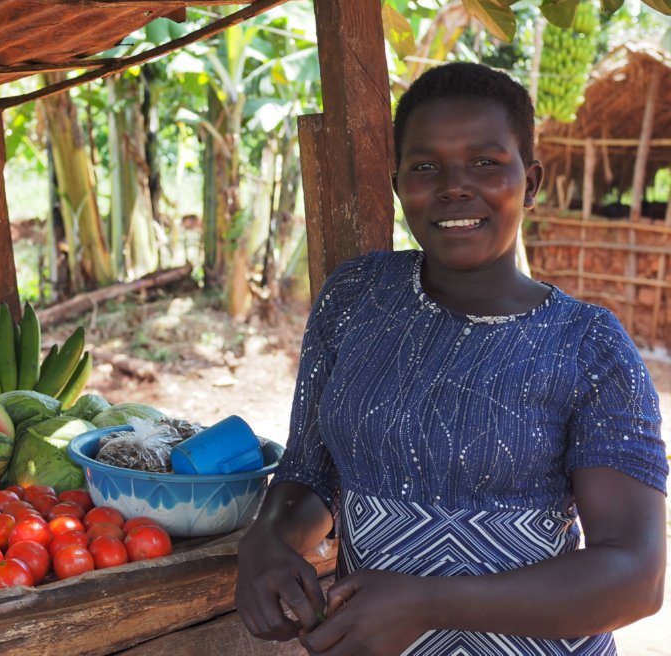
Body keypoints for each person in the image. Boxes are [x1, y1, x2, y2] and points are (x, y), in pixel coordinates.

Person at [235, 62, 667, 655]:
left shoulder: (587, 347)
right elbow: (311, 474)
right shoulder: (356, 297)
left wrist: (426, 602)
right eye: (424, 166)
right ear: (398, 184)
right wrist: (265, 541)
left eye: (485, 162)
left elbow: (636, 578)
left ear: (532, 182)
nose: (453, 185)